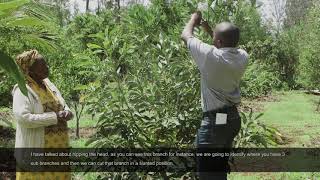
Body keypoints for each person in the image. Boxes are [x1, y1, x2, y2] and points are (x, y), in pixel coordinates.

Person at [181, 12, 249, 180]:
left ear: (218, 42)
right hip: (231, 120)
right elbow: (224, 42)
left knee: (207, 174)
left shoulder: (211, 56)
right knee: (218, 169)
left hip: (216, 122)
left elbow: (185, 35)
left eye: (214, 38)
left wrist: (193, 20)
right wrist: (209, 30)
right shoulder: (242, 56)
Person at [12, 50, 73, 180]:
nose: (47, 67)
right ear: (30, 70)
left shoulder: (48, 84)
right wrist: (55, 117)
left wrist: (67, 110)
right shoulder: (22, 90)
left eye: (45, 64)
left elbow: (61, 103)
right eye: (42, 65)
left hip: (58, 146)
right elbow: (24, 118)